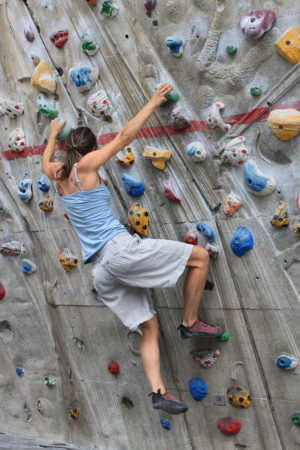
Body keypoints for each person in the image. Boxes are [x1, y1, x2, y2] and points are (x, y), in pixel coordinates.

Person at [42, 83, 223, 415]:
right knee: (198, 257)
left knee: (149, 326)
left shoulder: (59, 174)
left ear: (67, 149)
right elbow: (124, 137)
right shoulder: (86, 166)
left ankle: (159, 392)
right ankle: (190, 321)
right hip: (118, 251)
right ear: (90, 148)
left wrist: (52, 135)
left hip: (100, 271)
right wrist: (152, 101)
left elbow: (44, 164)